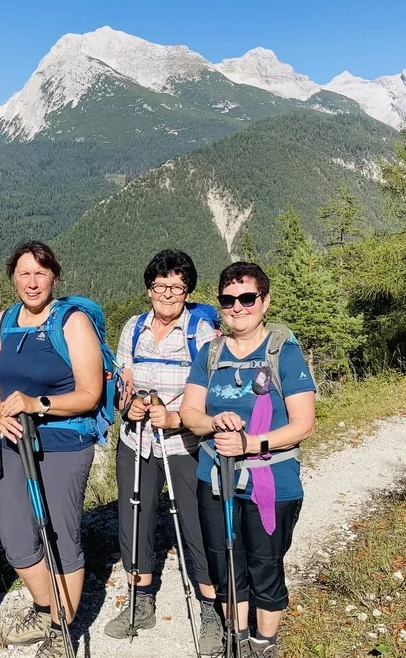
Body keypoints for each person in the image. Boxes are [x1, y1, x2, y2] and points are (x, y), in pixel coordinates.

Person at [178, 261, 317, 658]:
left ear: (264, 301)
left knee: (265, 564)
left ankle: (264, 644)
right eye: (228, 299)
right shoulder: (210, 353)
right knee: (224, 564)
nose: (237, 307)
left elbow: (304, 424)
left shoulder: (283, 354)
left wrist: (251, 444)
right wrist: (212, 420)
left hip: (271, 480)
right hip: (215, 476)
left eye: (247, 298)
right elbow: (189, 413)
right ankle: (236, 638)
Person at [0, 241, 104, 658]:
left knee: (61, 536)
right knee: (16, 538)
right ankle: (46, 604)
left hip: (65, 440)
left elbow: (90, 393)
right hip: (14, 440)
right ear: (13, 278)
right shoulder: (4, 321)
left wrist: (39, 404)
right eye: (24, 274)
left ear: (54, 276)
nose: (32, 282)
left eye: (40, 273)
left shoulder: (72, 322)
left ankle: (60, 629)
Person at [105, 249, 222, 653]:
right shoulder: (133, 329)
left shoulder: (201, 333)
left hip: (183, 442)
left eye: (177, 286)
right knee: (133, 519)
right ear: (148, 288)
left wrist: (174, 417)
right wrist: (129, 405)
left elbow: (211, 395)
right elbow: (122, 385)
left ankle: (211, 608)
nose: (168, 294)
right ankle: (141, 600)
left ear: (188, 289)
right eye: (160, 286)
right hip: (137, 441)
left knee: (196, 524)